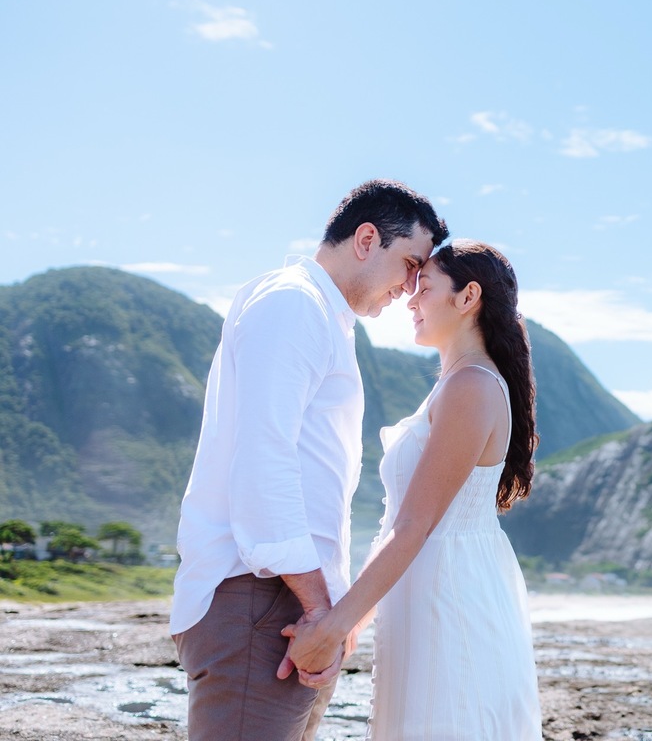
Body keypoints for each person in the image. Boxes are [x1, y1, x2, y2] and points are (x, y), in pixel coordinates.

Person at [169, 179, 448, 741]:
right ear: (367, 239)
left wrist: (330, 614)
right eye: (410, 263)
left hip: (282, 601)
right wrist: (322, 612)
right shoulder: (294, 303)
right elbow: (263, 461)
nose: (411, 286)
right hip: (262, 599)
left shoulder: (321, 315)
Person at [282, 239, 542, 739]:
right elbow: (402, 525)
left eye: (424, 288)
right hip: (433, 591)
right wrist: (351, 624)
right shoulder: (459, 383)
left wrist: (336, 627)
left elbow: (413, 526)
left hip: (451, 602)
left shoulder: (472, 386)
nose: (410, 299)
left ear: (468, 298)